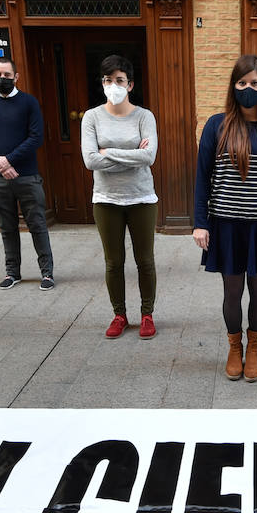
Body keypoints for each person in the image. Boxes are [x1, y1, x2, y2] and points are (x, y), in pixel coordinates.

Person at [192, 55, 257, 382]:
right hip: (226, 224)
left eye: (254, 83)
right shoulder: (216, 125)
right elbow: (202, 177)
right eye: (241, 83)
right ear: (233, 87)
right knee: (232, 290)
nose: (247, 89)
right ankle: (234, 347)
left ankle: (255, 347)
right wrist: (200, 222)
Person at [81, 54, 159, 339]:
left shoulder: (144, 116)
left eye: (119, 80)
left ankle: (147, 314)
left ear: (130, 85)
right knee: (113, 262)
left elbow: (148, 156)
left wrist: (107, 152)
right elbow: (90, 160)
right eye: (107, 80)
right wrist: (131, 155)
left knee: (145, 261)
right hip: (106, 199)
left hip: (141, 197)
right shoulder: (92, 117)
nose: (112, 85)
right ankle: (119, 314)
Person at [0, 55, 54, 290]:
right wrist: (0, 163)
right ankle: (13, 272)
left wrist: (9, 160)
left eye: (7, 76)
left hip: (27, 176)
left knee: (37, 224)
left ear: (16, 77)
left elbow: (36, 137)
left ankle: (47, 273)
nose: (2, 79)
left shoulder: (29, 102)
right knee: (7, 226)